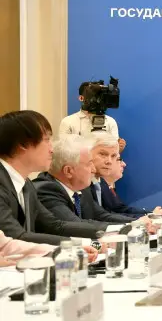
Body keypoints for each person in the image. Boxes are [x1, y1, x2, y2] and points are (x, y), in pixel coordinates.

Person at [0, 110, 98, 258]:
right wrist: (80, 245)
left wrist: (109, 234)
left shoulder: (26, 184)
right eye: (46, 140)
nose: (52, 149)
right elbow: (15, 237)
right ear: (23, 144)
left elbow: (54, 225)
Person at [34, 135, 152, 234]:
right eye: (89, 163)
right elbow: (75, 225)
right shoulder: (46, 190)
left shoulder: (81, 188)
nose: (93, 169)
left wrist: (135, 223)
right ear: (68, 171)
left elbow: (100, 215)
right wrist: (127, 227)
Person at [90, 133, 162, 217]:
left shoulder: (101, 182)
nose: (109, 161)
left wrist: (150, 215)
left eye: (113, 156)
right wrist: (144, 218)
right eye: (103, 154)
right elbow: (101, 217)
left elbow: (117, 209)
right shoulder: (83, 185)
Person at [59, 81, 125, 152]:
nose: (96, 99)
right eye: (92, 96)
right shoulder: (68, 122)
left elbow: (114, 151)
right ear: (81, 98)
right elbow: (63, 151)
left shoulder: (110, 122)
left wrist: (118, 149)